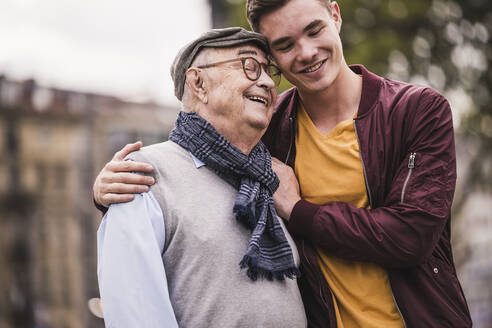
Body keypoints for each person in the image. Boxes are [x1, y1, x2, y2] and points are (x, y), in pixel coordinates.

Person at [94, 1, 472, 327]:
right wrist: (114, 192)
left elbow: (410, 236)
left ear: (335, 16)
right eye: (285, 45)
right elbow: (203, 160)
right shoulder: (269, 129)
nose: (306, 52)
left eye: (314, 30)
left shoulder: (415, 110)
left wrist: (298, 209)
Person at [96, 27, 307, 328]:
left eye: (268, 71)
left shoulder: (272, 180)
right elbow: (136, 313)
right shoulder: (143, 175)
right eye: (249, 66)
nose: (265, 81)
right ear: (199, 83)